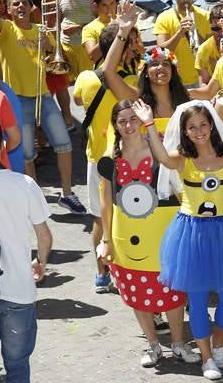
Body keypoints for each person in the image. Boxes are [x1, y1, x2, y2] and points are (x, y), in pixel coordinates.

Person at [137, 99, 223, 381]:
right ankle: (207, 358)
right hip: (192, 233)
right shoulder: (181, 157)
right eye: (192, 127)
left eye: (203, 125)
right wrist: (149, 124)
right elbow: (161, 157)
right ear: (185, 131)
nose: (199, 131)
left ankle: (219, 343)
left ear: (211, 126)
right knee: (196, 300)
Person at [97, 100, 200, 367]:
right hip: (125, 237)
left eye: (133, 119)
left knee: (173, 294)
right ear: (116, 126)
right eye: (122, 121)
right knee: (137, 292)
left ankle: (178, 343)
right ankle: (153, 344)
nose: (129, 125)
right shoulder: (111, 159)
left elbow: (181, 190)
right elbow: (107, 202)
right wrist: (106, 240)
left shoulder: (159, 149)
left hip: (164, 235)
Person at [0, 0, 86, 213]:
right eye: (15, 4)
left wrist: (51, 53)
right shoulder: (5, 29)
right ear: (8, 9)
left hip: (44, 97)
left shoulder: (40, 31)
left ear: (30, 5)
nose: (21, 7)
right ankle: (34, 197)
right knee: (27, 154)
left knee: (64, 144)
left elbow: (53, 60)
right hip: (18, 99)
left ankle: (67, 194)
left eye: (24, 3)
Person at [0, 114, 52, 383]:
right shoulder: (24, 184)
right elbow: (45, 236)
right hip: (19, 287)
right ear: (3, 145)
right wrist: (41, 262)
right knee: (17, 365)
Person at [73, 20, 140, 293]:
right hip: (125, 158)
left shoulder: (85, 78)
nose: (136, 47)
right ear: (120, 49)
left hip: (95, 158)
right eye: (131, 43)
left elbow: (77, 101)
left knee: (100, 218)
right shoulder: (132, 80)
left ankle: (101, 273)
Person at [153, 0, 211, 87]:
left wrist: (195, 33)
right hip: (175, 79)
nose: (185, 0)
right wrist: (180, 33)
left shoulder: (205, 15)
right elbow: (161, 52)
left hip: (201, 77)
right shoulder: (164, 17)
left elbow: (211, 49)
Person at [57, 0, 96, 79]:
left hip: (86, 46)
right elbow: (57, 21)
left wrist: (78, 27)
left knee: (88, 81)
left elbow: (100, 20)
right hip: (66, 46)